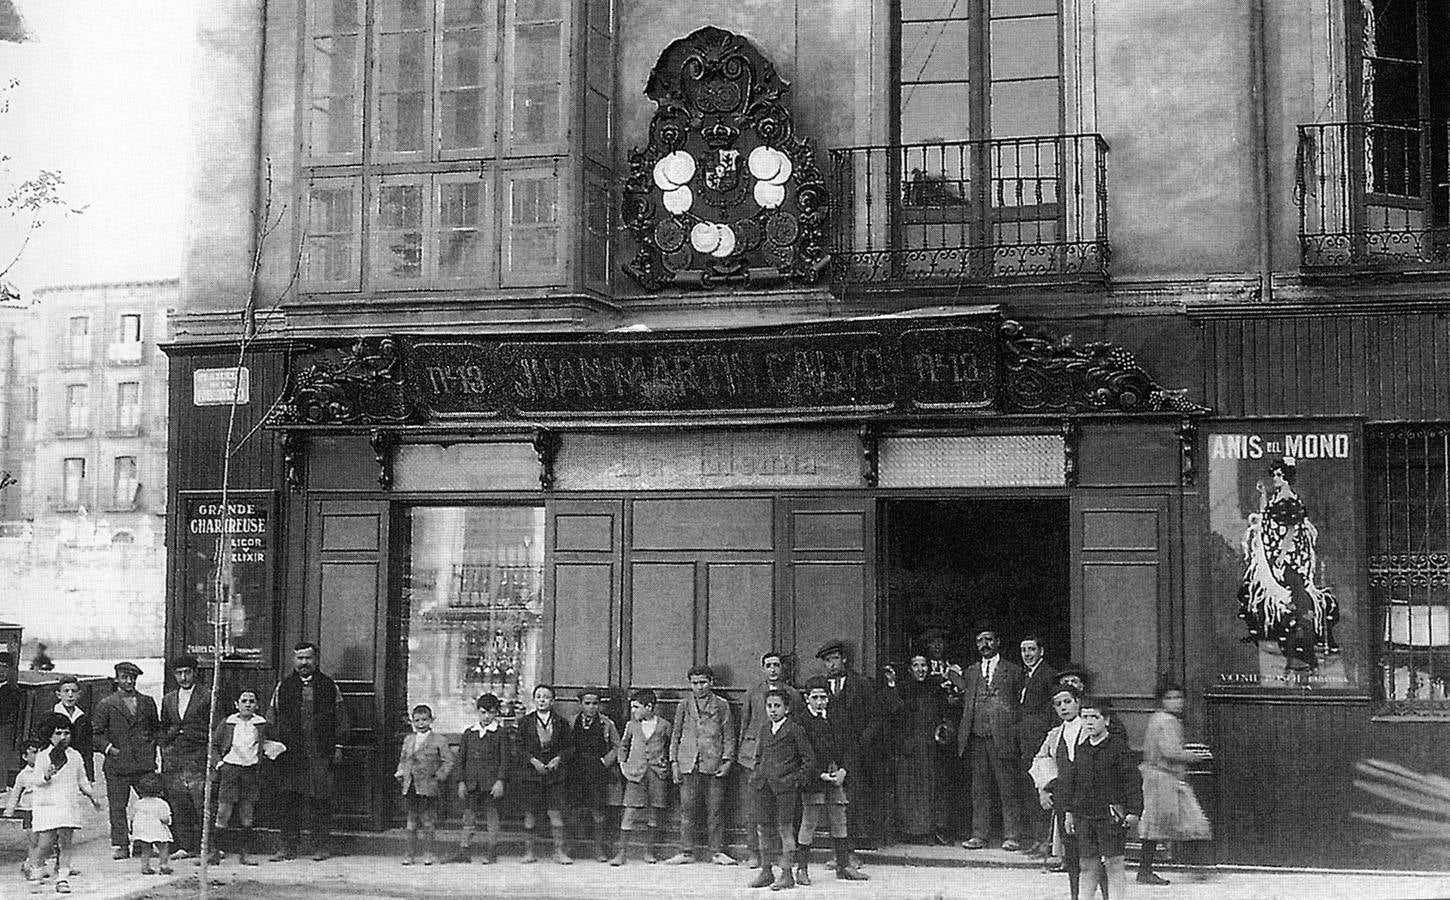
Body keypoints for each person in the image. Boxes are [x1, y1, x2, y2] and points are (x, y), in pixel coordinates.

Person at [1238, 455, 1340, 672]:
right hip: (1278, 556)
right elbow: (1267, 517)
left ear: (1286, 477)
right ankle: (1292, 649)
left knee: (1296, 602)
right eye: (1274, 475)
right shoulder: (1278, 497)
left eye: (1278, 475)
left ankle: (1303, 653)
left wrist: (1282, 557)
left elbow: (1292, 530)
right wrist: (1263, 495)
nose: (1274, 478)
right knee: (1285, 601)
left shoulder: (1289, 499)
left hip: (1291, 559)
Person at [268, 642, 351, 861]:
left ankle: (321, 846)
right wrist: (273, 745)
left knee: (320, 800)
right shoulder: (283, 687)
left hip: (319, 751)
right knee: (289, 799)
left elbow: (341, 718)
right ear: (293, 660)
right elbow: (272, 718)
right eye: (300, 658)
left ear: (316, 660)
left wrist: (339, 745)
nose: (304, 663)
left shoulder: (328, 686)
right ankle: (287, 847)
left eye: (308, 658)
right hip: (291, 752)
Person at [816, 639, 898, 860]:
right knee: (833, 804)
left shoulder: (862, 684)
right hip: (830, 753)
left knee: (852, 803)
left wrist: (861, 745)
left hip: (858, 754)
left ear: (844, 659)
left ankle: (850, 853)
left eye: (834, 659)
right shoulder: (819, 686)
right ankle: (838, 853)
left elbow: (875, 718)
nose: (831, 665)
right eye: (826, 661)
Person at [948, 627, 1025, 851]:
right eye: (980, 640)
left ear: (998, 642)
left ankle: (1012, 835)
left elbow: (1020, 705)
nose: (985, 644)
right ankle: (979, 835)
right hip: (976, 736)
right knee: (979, 788)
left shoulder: (1013, 670)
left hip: (1002, 736)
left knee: (1007, 787)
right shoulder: (971, 672)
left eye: (989, 640)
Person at [1059, 697, 1142, 900]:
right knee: (1088, 863)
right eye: (1085, 717)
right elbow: (1073, 784)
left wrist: (1134, 812)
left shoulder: (1118, 748)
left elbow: (1132, 782)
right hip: (1084, 815)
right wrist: (1069, 813)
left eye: (1094, 717)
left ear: (1106, 720)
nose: (1089, 722)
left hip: (1110, 815)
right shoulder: (1082, 750)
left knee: (1114, 862)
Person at [1137, 679, 1213, 886]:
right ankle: (1197, 867)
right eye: (1170, 698)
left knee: (1165, 823)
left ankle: (1194, 867)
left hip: (1161, 777)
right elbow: (1170, 752)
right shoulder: (1167, 721)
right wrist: (1196, 756)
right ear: (1162, 701)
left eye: (1179, 697)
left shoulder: (1158, 719)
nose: (1176, 702)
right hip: (1165, 778)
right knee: (1188, 820)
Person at [794, 675, 867, 884]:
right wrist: (818, 774)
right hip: (814, 777)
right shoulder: (800, 721)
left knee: (839, 820)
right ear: (806, 697)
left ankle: (843, 866)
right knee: (809, 822)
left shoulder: (837, 717)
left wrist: (844, 770)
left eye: (823, 697)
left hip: (836, 775)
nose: (819, 702)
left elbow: (849, 746)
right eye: (815, 697)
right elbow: (800, 754)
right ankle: (802, 869)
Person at [737, 651, 803, 869]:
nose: (773, 669)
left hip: (782, 760)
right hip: (754, 756)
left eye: (776, 665)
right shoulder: (753, 692)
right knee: (754, 809)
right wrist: (743, 753)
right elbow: (744, 722)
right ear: (763, 668)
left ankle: (783, 855)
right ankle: (754, 853)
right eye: (769, 665)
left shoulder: (792, 694)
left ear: (782, 668)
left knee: (784, 812)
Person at [746, 687, 816, 891]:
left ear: (787, 708)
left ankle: (787, 874)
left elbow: (808, 759)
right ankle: (766, 871)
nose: (773, 710)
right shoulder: (764, 729)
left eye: (777, 706)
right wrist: (757, 774)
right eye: (769, 706)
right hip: (763, 787)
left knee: (785, 829)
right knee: (763, 829)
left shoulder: (795, 729)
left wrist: (795, 780)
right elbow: (758, 756)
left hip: (785, 789)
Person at [666, 664, 737, 866]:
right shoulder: (684, 705)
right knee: (687, 809)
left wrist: (727, 761)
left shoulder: (721, 705)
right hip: (688, 762)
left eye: (703, 682)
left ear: (711, 682)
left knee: (715, 808)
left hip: (714, 763)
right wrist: (674, 762)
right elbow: (676, 734)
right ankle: (686, 851)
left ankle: (717, 852)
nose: (699, 687)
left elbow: (729, 736)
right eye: (695, 683)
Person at [93, 660, 161, 859]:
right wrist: (110, 749)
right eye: (125, 677)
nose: (129, 681)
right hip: (117, 765)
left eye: (132, 677)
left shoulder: (147, 702)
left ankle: (143, 843)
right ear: (117, 679)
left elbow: (155, 729)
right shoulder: (106, 704)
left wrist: (150, 747)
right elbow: (95, 734)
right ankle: (121, 845)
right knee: (117, 807)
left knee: (150, 803)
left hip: (143, 764)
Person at [27, 713, 102, 892]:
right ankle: (36, 873)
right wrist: (46, 775)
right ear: (49, 735)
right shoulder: (43, 756)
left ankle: (62, 878)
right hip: (47, 806)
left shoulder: (75, 756)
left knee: (66, 842)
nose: (63, 737)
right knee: (45, 844)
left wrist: (92, 796)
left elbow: (82, 779)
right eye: (58, 733)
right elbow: (35, 780)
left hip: (67, 805)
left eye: (66, 733)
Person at [890, 654, 950, 844]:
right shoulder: (902, 689)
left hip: (931, 747)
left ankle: (930, 830)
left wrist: (943, 730)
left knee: (930, 790)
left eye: (923, 665)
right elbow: (895, 715)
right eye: (916, 665)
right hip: (909, 747)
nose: (920, 669)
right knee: (910, 790)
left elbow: (944, 715)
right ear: (910, 669)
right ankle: (910, 831)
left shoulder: (935, 689)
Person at [212, 687, 274, 866]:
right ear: (236, 704)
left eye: (251, 701)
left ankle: (244, 853)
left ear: (257, 705)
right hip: (231, 770)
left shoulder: (262, 724)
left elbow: (272, 743)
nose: (247, 704)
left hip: (251, 771)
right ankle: (216, 852)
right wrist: (220, 764)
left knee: (247, 812)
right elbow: (215, 745)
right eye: (244, 701)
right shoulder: (228, 723)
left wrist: (267, 755)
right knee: (224, 811)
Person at [159, 654, 210, 859]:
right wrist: (167, 745)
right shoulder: (169, 698)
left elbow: (216, 726)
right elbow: (163, 727)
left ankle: (207, 847)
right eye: (179, 673)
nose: (183, 677)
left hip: (198, 756)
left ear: (194, 673)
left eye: (187, 672)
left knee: (201, 802)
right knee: (178, 802)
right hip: (175, 758)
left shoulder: (207, 695)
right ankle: (185, 846)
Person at [612, 688, 670, 866]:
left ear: (649, 707)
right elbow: (623, 746)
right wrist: (623, 765)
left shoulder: (664, 725)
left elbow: (670, 745)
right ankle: (621, 853)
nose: (633, 711)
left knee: (655, 812)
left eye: (636, 707)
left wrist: (666, 763)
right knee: (629, 811)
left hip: (656, 774)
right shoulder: (631, 725)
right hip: (636, 774)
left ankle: (649, 851)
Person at [520, 683, 572, 864]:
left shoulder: (561, 723)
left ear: (553, 701)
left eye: (546, 697)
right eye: (539, 697)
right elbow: (519, 748)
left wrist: (558, 759)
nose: (542, 700)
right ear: (534, 700)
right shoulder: (525, 722)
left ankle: (559, 851)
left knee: (555, 813)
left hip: (554, 775)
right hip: (532, 775)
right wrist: (533, 761)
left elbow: (569, 748)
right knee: (531, 813)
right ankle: (529, 851)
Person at [455, 692, 511, 864]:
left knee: (491, 816)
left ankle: (492, 851)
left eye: (491, 713)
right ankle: (465, 850)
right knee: (468, 816)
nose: (487, 717)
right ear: (477, 712)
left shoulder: (500, 733)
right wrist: (461, 781)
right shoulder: (469, 733)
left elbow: (505, 759)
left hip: (491, 784)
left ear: (496, 713)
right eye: (483, 712)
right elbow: (461, 759)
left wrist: (500, 781)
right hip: (472, 782)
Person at [395, 703, 453, 867]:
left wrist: (439, 777)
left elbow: (448, 761)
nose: (421, 724)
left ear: (431, 720)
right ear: (412, 721)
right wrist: (401, 772)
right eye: (417, 720)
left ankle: (429, 852)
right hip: (411, 785)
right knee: (411, 821)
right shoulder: (409, 739)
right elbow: (403, 759)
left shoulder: (439, 740)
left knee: (428, 821)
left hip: (428, 786)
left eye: (424, 720)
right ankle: (409, 853)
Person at [1017, 634, 1059, 857]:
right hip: (1027, 743)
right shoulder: (1025, 675)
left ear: (1041, 651)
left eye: (1031, 649)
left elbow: (1053, 710)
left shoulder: (1048, 675)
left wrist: (1048, 741)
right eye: (1024, 650)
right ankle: (1037, 839)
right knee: (1031, 791)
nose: (1027, 654)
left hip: (1040, 742)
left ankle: (1046, 842)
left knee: (1044, 790)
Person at [568, 686, 620, 863]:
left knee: (598, 810)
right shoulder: (571, 721)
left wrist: (605, 761)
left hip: (597, 771)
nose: (591, 707)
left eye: (595, 703)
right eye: (587, 703)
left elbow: (617, 746)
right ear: (580, 704)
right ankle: (572, 845)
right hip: (576, 771)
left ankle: (598, 847)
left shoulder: (607, 724)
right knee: (574, 809)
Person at [4, 737, 47, 878]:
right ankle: (32, 866)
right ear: (25, 756)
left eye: (40, 752)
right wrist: (10, 809)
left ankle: (35, 863)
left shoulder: (45, 771)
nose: (37, 756)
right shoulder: (23, 775)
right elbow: (15, 793)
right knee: (33, 840)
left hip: (44, 809)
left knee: (45, 840)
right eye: (34, 753)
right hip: (29, 811)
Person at [129, 773, 174, 875]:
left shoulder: (138, 803)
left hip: (142, 830)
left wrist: (132, 828)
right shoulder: (161, 804)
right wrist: (167, 823)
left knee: (145, 849)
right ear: (161, 791)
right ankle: (163, 864)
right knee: (163, 846)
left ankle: (145, 866)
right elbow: (165, 818)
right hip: (156, 829)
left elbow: (132, 817)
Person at [52, 675, 94, 782]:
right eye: (66, 691)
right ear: (58, 695)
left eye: (73, 691)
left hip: (77, 766)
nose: (70, 695)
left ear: (79, 694)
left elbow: (87, 750)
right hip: (56, 767)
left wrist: (89, 777)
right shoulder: (51, 716)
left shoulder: (83, 718)